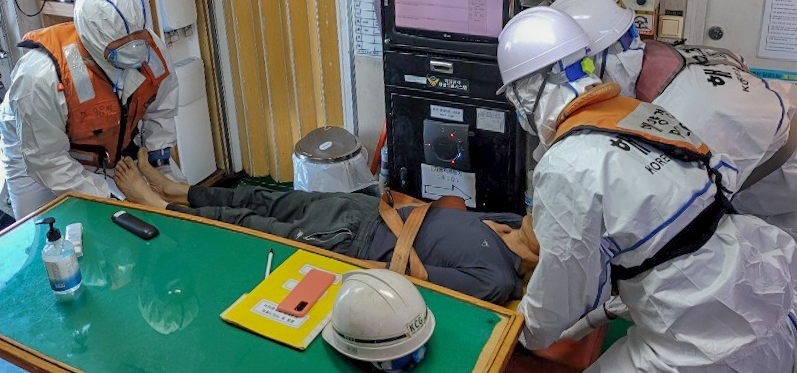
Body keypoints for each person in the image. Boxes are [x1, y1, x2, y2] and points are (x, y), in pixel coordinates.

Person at [498, 6, 797, 371]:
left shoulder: (567, 164)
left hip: (709, 344)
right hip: (766, 291)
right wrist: (600, 313)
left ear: (526, 93)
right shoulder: (644, 114)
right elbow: (671, 237)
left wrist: (522, 332)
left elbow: (562, 288)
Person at [112, 148, 538, 305]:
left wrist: (348, 268)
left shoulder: (496, 279)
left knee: (249, 225)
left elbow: (411, 279)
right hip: (365, 210)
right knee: (266, 198)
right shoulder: (511, 222)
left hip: (353, 242)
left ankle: (157, 207)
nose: (545, 215)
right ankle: (178, 189)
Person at [551, 0, 797, 238]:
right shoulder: (659, 57)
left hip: (782, 180)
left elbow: (680, 212)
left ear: (601, 60)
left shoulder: (684, 110)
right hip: (778, 119)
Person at [0, 0, 183, 219]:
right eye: (121, 48)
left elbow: (161, 109)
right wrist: (108, 199)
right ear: (94, 44)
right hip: (36, 148)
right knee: (41, 225)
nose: (135, 54)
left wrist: (159, 165)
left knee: (162, 203)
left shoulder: (150, 49)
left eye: (138, 40)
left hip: (108, 141)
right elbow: (47, 160)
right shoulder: (39, 78)